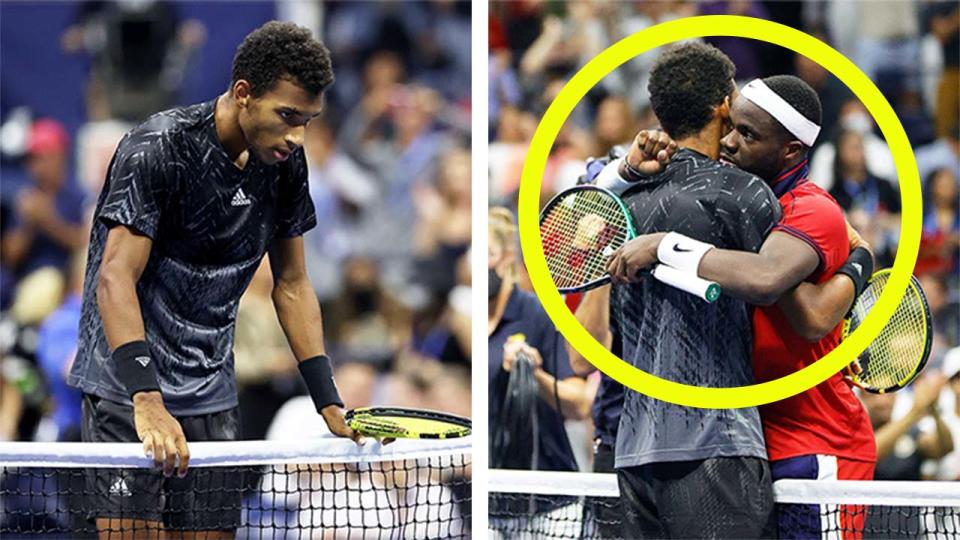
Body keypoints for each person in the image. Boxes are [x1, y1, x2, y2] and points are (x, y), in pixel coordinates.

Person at [67, 21, 361, 538]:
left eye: (309, 121)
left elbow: (291, 284)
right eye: (288, 116)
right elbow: (114, 278)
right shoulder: (158, 147)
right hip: (127, 392)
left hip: (212, 392)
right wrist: (147, 401)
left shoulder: (286, 164)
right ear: (243, 94)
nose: (298, 136)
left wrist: (328, 399)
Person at [611, 75, 879, 538]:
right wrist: (626, 169)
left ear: (792, 151)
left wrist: (664, 246)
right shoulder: (736, 201)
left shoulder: (810, 209)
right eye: (731, 126)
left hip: (818, 445)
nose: (729, 142)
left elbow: (778, 289)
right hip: (754, 444)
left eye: (749, 135)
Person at [594, 42, 783, 539]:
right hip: (716, 446)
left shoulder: (621, 197)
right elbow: (780, 293)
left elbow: (567, 226)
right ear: (724, 104)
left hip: (634, 451)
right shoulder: (742, 193)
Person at [488, 207, 589, 473]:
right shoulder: (464, 321)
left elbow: (579, 405)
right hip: (488, 491)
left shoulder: (539, 313)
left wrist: (535, 373)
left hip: (546, 490)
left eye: (487, 254)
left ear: (507, 257)